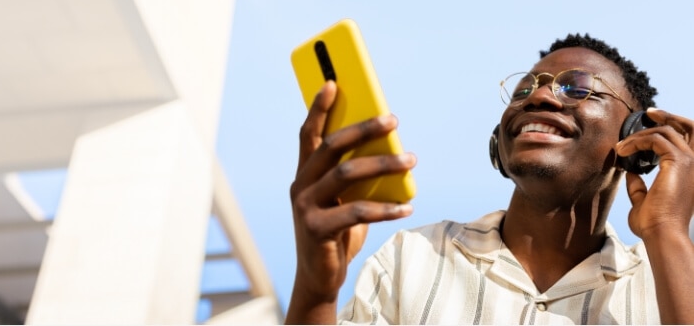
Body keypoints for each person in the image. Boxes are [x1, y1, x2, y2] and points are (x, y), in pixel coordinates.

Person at [285, 33, 694, 324]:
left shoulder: (671, 277)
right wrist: (315, 292)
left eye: (577, 87)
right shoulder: (411, 258)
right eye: (523, 91)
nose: (540, 96)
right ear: (500, 140)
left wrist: (667, 231)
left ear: (636, 139)